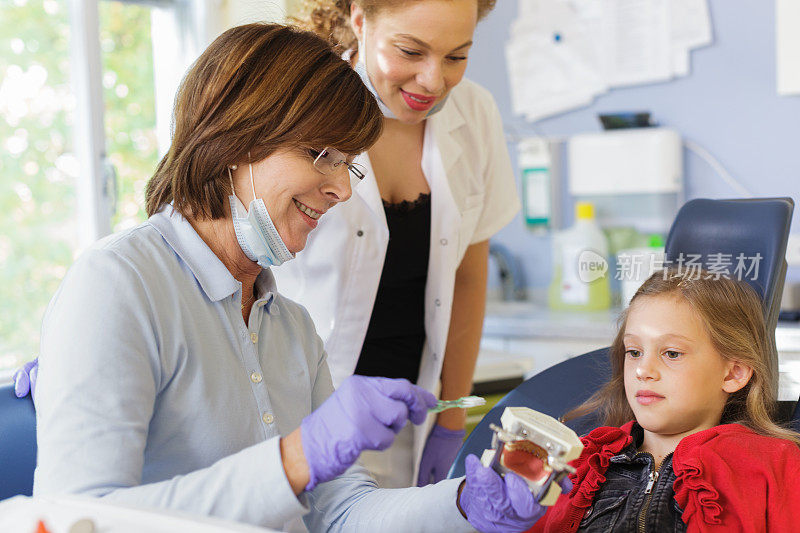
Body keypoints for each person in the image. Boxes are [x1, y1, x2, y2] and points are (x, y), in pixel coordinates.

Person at [28, 22, 552, 533]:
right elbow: (81, 517)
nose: (342, 190)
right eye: (322, 155)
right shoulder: (118, 287)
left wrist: (464, 505)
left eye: (349, 165)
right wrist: (298, 456)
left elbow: (343, 514)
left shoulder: (292, 328)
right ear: (234, 138)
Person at [280, 0, 519, 489]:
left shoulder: (474, 115)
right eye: (411, 51)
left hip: (407, 423)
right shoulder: (296, 107)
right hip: (296, 420)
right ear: (360, 21)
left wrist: (452, 425)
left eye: (456, 56)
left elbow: (469, 277)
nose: (433, 81)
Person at [527, 269, 800, 532]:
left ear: (733, 373)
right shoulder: (579, 462)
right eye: (634, 352)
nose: (642, 370)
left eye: (671, 353)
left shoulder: (778, 466)